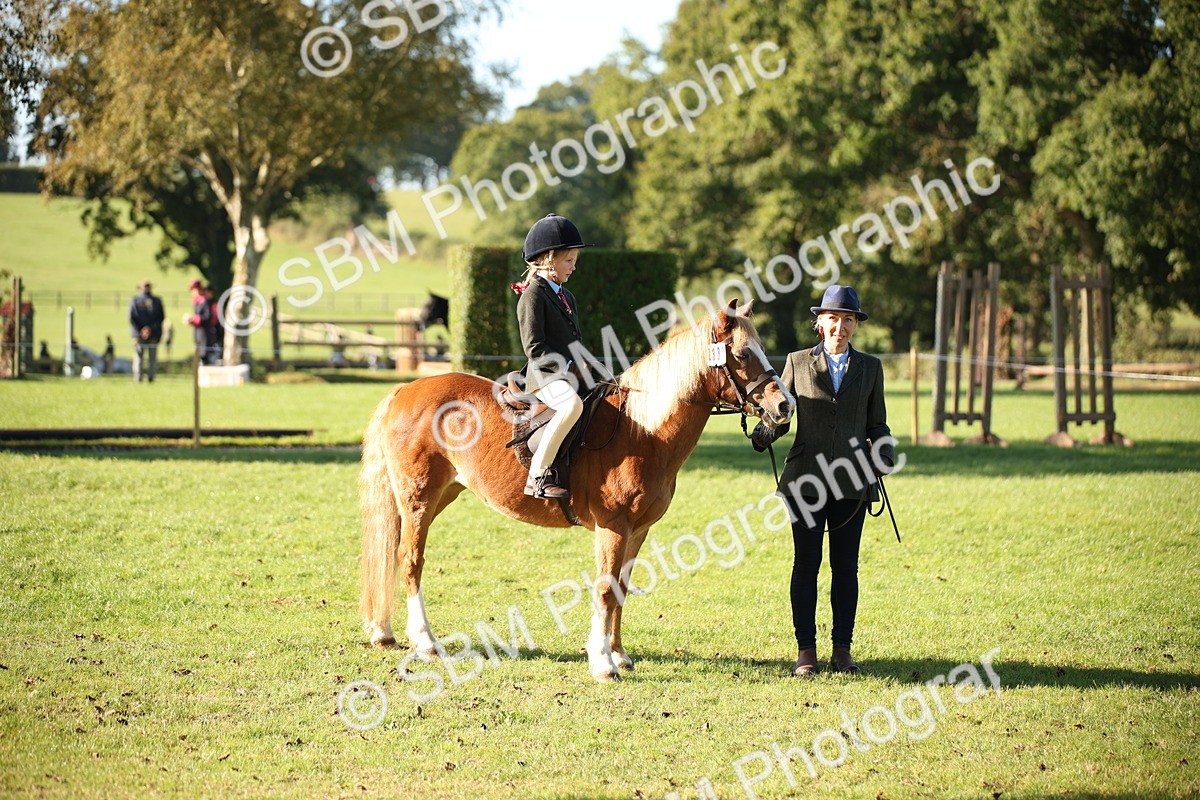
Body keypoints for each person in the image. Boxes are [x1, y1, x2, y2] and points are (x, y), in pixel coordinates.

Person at [751, 285, 894, 677]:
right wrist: (764, 434)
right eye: (833, 318)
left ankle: (842, 650)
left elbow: (877, 423)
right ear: (820, 323)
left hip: (852, 482)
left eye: (848, 319)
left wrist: (884, 453)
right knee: (806, 565)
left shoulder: (871, 368)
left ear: (855, 325)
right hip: (806, 482)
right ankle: (806, 651)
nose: (840, 326)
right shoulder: (796, 363)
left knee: (846, 568)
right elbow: (782, 415)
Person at [513, 213, 592, 499]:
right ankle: (537, 475)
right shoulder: (532, 295)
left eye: (574, 261)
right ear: (549, 259)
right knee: (571, 406)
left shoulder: (566, 296)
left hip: (571, 370)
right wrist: (568, 367)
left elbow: (575, 341)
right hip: (545, 375)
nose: (573, 267)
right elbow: (534, 346)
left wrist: (589, 364)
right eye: (568, 261)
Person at [128, 280, 165, 382]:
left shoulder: (157, 301)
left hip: (153, 334)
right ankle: (138, 377)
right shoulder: (134, 300)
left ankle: (151, 377)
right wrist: (142, 330)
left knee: (152, 357)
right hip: (138, 334)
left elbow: (160, 317)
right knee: (139, 356)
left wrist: (150, 329)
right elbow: (132, 317)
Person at [185, 278, 212, 363]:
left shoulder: (205, 300)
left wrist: (194, 319)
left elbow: (207, 317)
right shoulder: (197, 300)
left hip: (205, 333)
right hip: (198, 332)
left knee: (204, 355)